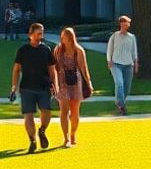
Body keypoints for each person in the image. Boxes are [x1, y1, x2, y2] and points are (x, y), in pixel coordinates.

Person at [10, 22, 60, 154]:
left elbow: (52, 69)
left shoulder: (46, 50)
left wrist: (55, 85)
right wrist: (14, 87)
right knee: (28, 116)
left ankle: (42, 130)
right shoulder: (23, 50)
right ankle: (32, 140)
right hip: (27, 88)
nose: (41, 35)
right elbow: (16, 70)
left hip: (44, 87)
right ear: (30, 35)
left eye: (42, 32)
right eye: (39, 33)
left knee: (46, 112)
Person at [53, 27, 93, 147]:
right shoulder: (58, 49)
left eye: (65, 36)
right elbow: (54, 67)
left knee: (75, 111)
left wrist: (88, 83)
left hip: (75, 81)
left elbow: (84, 68)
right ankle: (65, 138)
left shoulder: (78, 50)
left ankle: (72, 134)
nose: (63, 39)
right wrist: (54, 83)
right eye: (62, 36)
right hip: (62, 81)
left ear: (71, 38)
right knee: (64, 110)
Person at [105, 15, 140, 115]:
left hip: (129, 65)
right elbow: (109, 50)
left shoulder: (132, 37)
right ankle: (122, 105)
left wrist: (135, 63)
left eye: (127, 24)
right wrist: (109, 60)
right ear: (120, 24)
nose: (126, 26)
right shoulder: (114, 36)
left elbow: (134, 51)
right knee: (119, 83)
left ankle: (119, 102)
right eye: (124, 24)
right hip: (116, 64)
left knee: (127, 87)